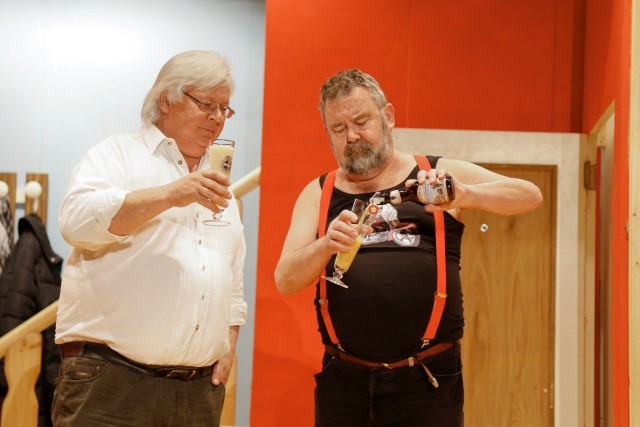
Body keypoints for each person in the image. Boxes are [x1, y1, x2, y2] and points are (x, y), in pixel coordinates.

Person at [274, 69, 543, 426]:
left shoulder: (434, 171)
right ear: (327, 134)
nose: (352, 136)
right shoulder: (318, 192)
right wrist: (325, 245)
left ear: (387, 116)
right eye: (338, 129)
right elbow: (286, 280)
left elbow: (529, 195)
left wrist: (465, 195)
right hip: (343, 382)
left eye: (361, 121)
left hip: (428, 379)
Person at [53, 50, 247, 427]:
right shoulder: (116, 155)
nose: (218, 118)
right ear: (165, 100)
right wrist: (170, 194)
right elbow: (74, 222)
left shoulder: (221, 183)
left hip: (198, 390)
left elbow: (232, 276)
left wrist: (228, 342)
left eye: (225, 108)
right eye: (207, 104)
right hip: (111, 383)